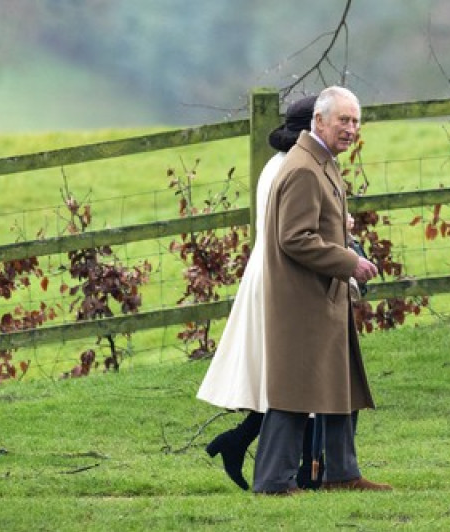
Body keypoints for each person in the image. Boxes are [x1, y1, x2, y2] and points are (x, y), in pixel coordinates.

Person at [253, 86, 391, 495]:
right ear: (319, 121)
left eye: (355, 121)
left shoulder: (321, 161)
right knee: (294, 390)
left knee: (341, 385)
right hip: (302, 299)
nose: (351, 129)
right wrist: (351, 262)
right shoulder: (302, 169)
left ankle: (342, 474)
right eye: (343, 121)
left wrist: (344, 244)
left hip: (325, 294)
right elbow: (294, 238)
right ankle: (273, 482)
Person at [196, 95, 318, 491]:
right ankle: (287, 466)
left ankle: (242, 443)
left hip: (266, 273)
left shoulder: (275, 165)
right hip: (281, 278)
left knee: (280, 376)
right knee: (289, 376)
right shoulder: (295, 169)